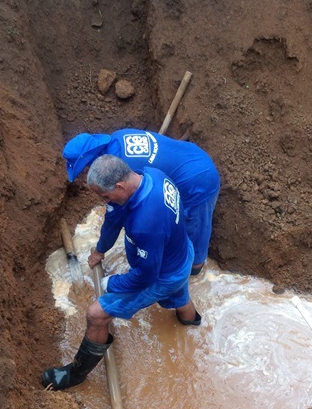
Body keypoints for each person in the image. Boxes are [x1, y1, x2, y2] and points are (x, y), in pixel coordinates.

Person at [41, 155, 201, 391]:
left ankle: (75, 374)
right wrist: (99, 250)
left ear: (119, 186)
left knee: (96, 314)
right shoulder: (151, 176)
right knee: (179, 295)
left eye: (105, 196)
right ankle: (194, 326)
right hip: (179, 255)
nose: (105, 201)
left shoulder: (146, 222)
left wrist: (111, 283)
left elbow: (146, 276)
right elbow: (113, 218)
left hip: (162, 275)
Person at [62, 129, 220, 275]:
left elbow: (113, 222)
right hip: (189, 154)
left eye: (85, 168)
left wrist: (100, 251)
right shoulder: (118, 138)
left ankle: (194, 271)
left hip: (197, 179)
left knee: (192, 230)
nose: (86, 174)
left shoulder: (116, 172)